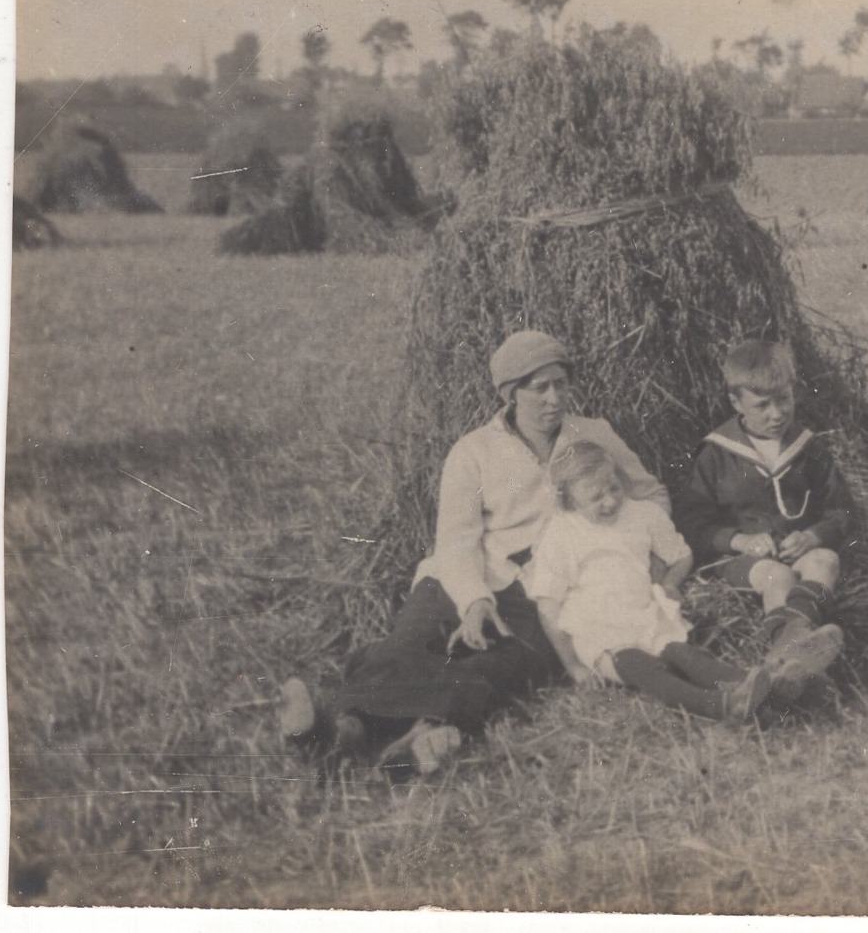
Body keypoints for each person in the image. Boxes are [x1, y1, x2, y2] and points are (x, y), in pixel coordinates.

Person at [279, 330, 670, 775]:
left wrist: (646, 552)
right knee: (413, 642)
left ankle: (424, 736)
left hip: (550, 588)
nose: (553, 398)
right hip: (464, 575)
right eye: (538, 387)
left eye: (561, 383)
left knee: (496, 661)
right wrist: (475, 602)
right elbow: (456, 540)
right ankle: (341, 731)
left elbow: (651, 494)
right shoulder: (473, 451)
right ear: (510, 393)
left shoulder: (595, 435)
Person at [528, 442, 771, 722]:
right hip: (596, 631)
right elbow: (547, 605)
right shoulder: (561, 533)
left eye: (614, 486)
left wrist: (670, 584)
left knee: (683, 655)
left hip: (643, 614)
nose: (610, 500)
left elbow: (681, 556)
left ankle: (755, 685)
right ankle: (718, 705)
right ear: (569, 500)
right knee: (642, 667)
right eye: (595, 497)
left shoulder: (642, 514)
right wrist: (573, 666)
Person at [673, 339, 853, 703]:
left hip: (796, 548)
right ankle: (798, 655)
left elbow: (843, 511)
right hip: (744, 560)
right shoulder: (717, 454)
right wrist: (738, 541)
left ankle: (783, 664)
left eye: (784, 399)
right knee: (777, 576)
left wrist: (814, 536)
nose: (776, 414)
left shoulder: (808, 448)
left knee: (826, 561)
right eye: (762, 405)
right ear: (736, 403)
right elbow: (692, 523)